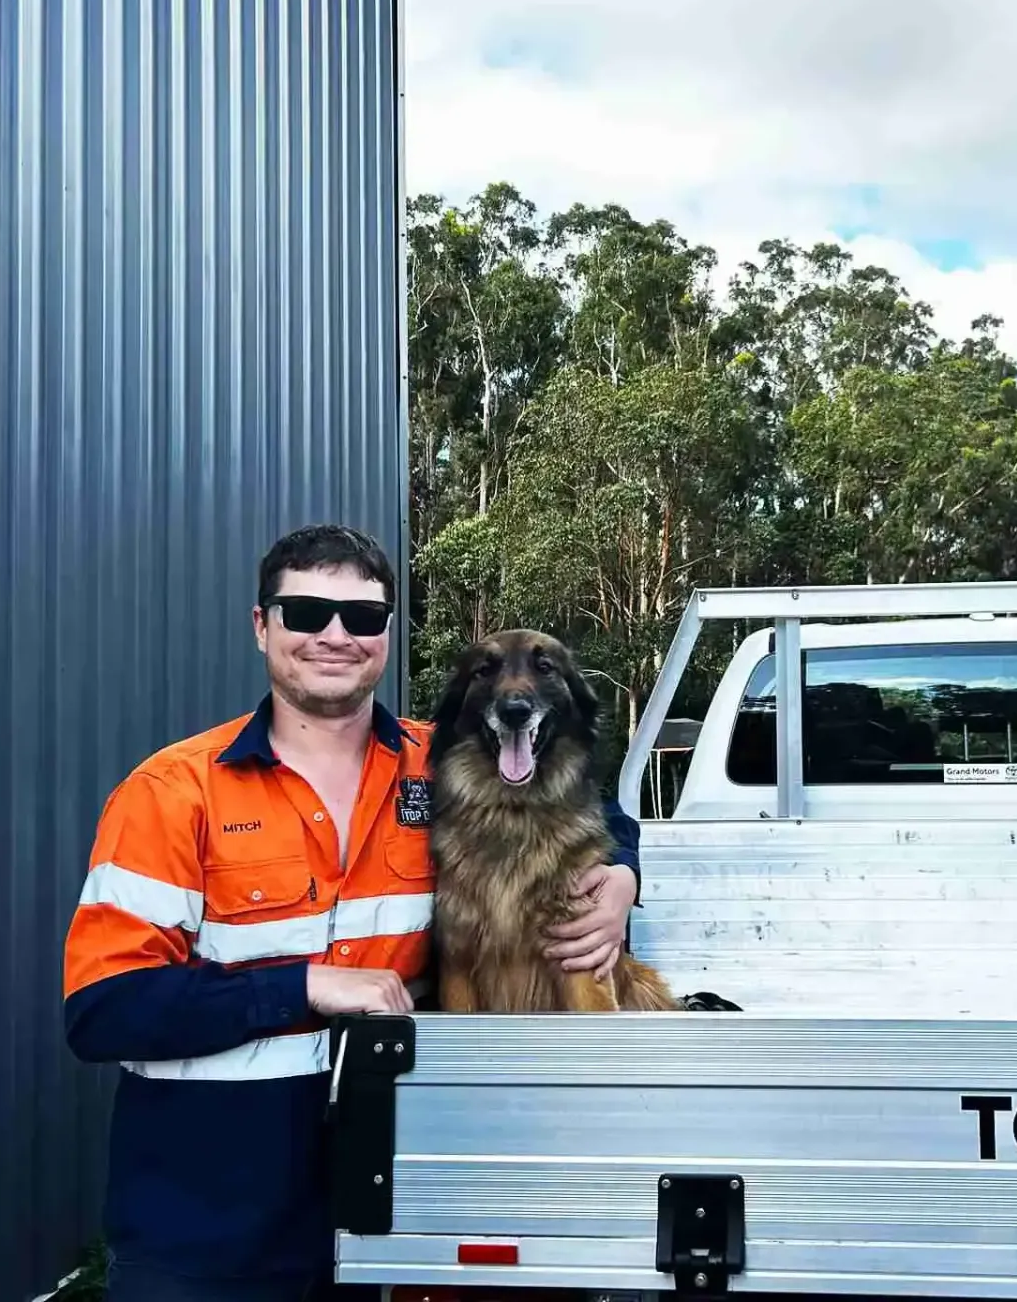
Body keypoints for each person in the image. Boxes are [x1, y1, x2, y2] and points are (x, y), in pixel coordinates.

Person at [62, 524, 644, 1301]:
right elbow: (104, 1011)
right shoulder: (172, 792)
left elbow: (585, 803)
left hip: (392, 1217)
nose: (335, 636)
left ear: (387, 637)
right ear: (261, 625)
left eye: (362, 618)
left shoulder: (442, 764)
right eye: (306, 613)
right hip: (206, 1232)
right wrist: (306, 986)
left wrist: (621, 877)